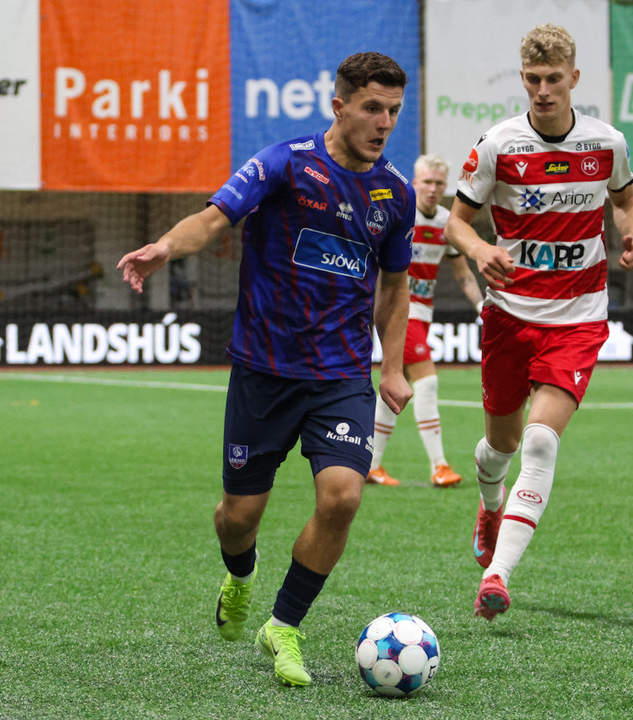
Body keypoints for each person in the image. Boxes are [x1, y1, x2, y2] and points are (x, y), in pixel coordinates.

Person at [117, 52, 414, 685]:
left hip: (340, 376)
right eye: (372, 108)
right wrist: (166, 246)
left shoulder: (396, 194)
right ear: (339, 106)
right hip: (263, 370)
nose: (384, 122)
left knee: (343, 496)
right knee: (238, 517)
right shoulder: (284, 163)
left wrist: (392, 366)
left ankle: (284, 625)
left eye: (393, 110)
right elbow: (213, 218)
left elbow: (394, 287)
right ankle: (240, 574)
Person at [444, 24, 633, 621]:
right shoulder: (498, 145)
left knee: (538, 440)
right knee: (500, 446)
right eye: (533, 79)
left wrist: (632, 233)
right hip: (509, 316)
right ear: (523, 79)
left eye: (554, 78)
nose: (543, 90)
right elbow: (456, 222)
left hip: (578, 317)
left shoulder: (606, 143)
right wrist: (480, 250)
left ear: (574, 77)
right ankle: (490, 505)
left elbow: (625, 199)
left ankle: (497, 576)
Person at [366, 154, 485, 488]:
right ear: (415, 183)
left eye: (438, 184)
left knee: (393, 391)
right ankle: (439, 466)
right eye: (427, 182)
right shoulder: (400, 214)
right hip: (400, 311)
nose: (432, 189)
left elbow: (463, 274)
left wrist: (482, 307)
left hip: (423, 313)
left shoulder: (448, 223)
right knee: (427, 382)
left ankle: (370, 464)